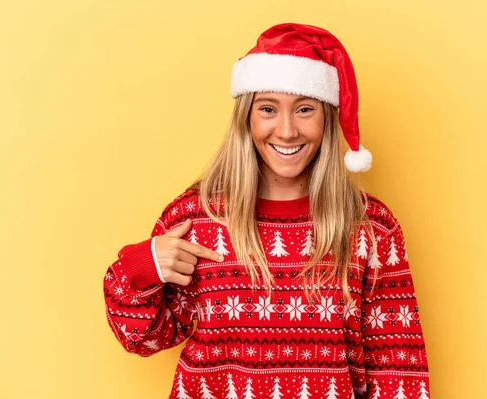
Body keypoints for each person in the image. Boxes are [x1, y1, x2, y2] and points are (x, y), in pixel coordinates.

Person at [103, 22, 430, 399]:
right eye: (268, 109)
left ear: (327, 119)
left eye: (305, 109)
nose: (287, 130)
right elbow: (141, 338)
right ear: (248, 118)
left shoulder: (372, 228)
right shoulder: (197, 217)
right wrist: (142, 266)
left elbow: (400, 373)